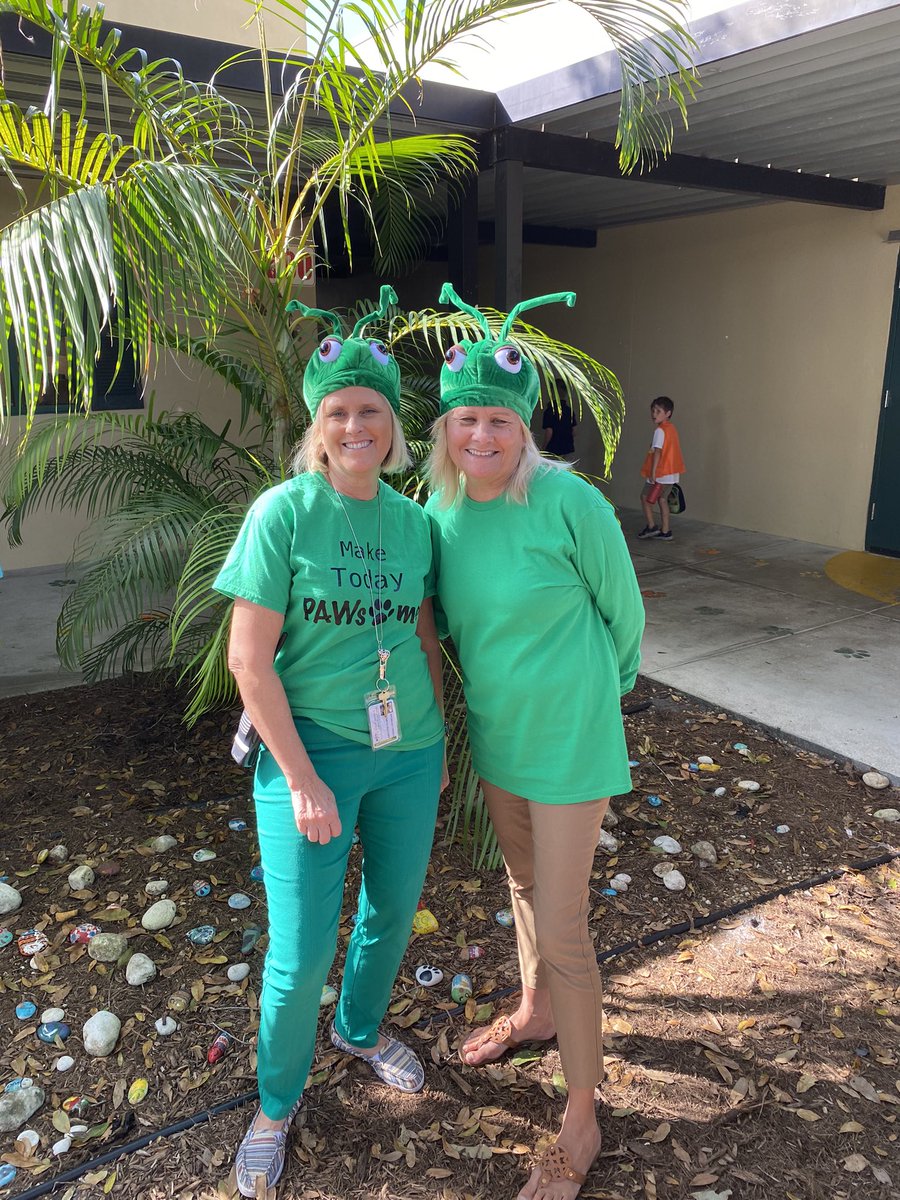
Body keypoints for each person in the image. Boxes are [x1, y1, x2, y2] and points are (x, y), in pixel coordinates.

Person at [214, 287, 447, 1198]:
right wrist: (303, 779)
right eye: (340, 412)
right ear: (319, 425)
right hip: (310, 754)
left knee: (392, 911)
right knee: (300, 950)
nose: (357, 427)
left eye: (372, 412)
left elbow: (421, 633)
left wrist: (434, 737)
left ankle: (357, 1029)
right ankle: (275, 1106)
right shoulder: (284, 514)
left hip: (410, 750)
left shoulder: (414, 522)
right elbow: (249, 661)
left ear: (394, 427)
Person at [425, 283, 645, 1200]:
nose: (481, 435)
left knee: (563, 924)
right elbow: (443, 624)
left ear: (524, 427)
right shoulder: (437, 513)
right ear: (446, 428)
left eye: (498, 420)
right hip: (498, 739)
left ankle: (582, 1116)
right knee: (520, 887)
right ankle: (536, 1010)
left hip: (569, 742)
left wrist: (595, 697)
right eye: (466, 419)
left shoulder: (569, 503)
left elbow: (624, 618)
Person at [638, 395, 685, 540]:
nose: (654, 414)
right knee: (663, 500)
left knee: (645, 497)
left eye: (658, 411)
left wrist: (653, 472)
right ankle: (665, 530)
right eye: (653, 411)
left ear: (668, 413)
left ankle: (651, 526)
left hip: (660, 474)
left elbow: (658, 451)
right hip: (671, 474)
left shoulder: (660, 431)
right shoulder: (672, 429)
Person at [542, 393, 578, 461]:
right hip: (567, 449)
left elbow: (549, 431)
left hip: (552, 448)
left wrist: (543, 448)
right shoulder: (569, 411)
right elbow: (574, 431)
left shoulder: (549, 411)